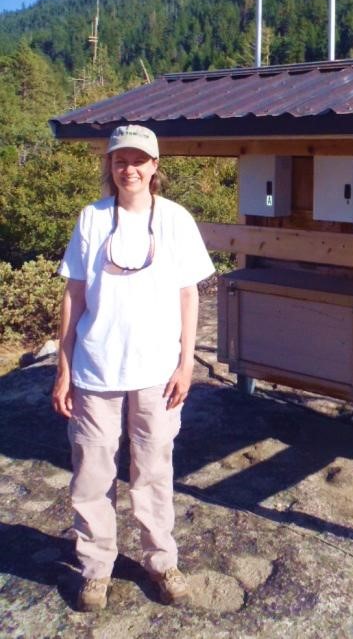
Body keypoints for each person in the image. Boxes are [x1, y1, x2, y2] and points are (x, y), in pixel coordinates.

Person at [52, 124, 215, 612]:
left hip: (157, 370)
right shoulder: (91, 219)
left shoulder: (176, 220)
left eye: (139, 160)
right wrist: (62, 368)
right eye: (120, 160)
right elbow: (73, 295)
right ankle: (96, 567)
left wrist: (186, 363)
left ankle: (160, 560)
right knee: (91, 475)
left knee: (153, 470)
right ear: (110, 166)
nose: (130, 168)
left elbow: (190, 295)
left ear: (154, 166)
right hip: (95, 368)